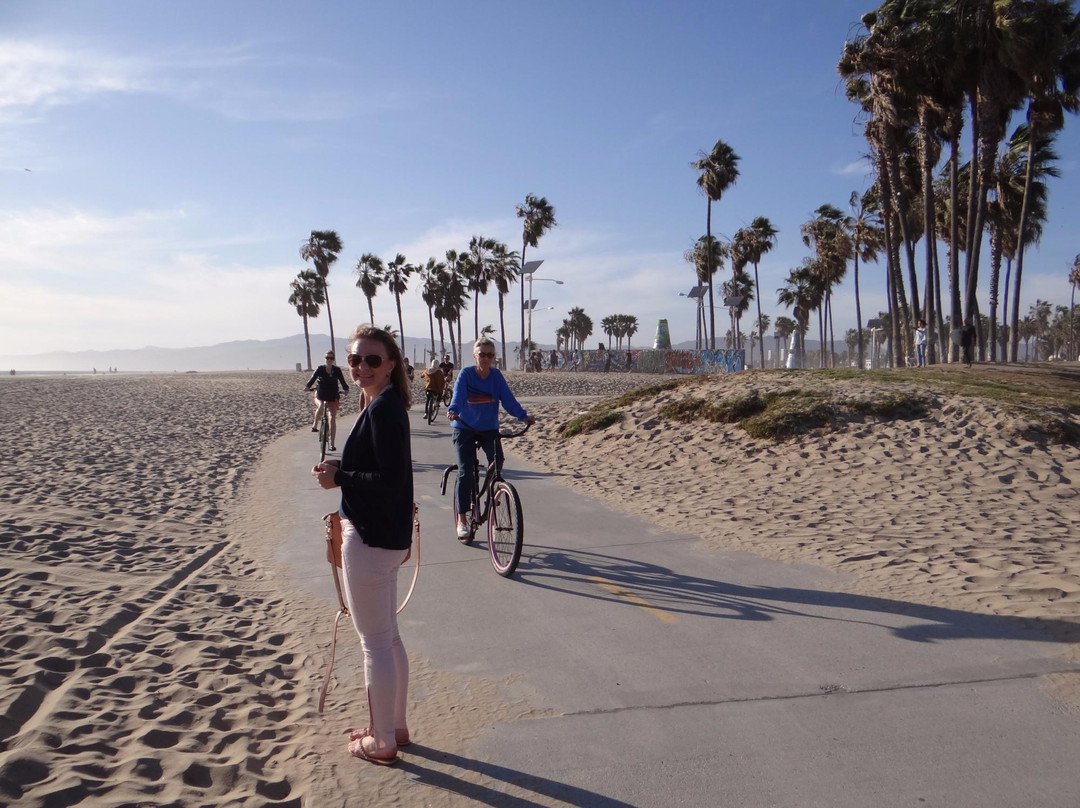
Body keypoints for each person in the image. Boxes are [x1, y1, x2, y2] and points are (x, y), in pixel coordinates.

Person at [311, 325, 414, 766]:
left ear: (391, 364)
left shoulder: (386, 408)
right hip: (383, 538)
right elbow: (382, 468)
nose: (361, 367)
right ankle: (395, 727)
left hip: (370, 538)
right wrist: (343, 465)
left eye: (372, 360)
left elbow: (388, 482)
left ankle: (382, 740)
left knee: (374, 642)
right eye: (355, 359)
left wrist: (341, 477)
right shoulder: (381, 404)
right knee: (387, 637)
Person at [447, 338, 534, 539]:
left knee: (498, 461)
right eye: (482, 354)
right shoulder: (466, 374)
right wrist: (453, 411)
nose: (485, 358)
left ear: (493, 357)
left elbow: (508, 400)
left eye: (490, 355)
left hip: (488, 429)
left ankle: (487, 496)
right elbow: (458, 398)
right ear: (474, 355)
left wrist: (523, 416)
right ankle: (462, 520)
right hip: (464, 428)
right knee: (465, 471)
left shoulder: (496, 377)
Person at [305, 351, 350, 452]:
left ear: (333, 359)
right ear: (324, 358)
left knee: (332, 418)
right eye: (327, 358)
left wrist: (346, 389)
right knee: (320, 406)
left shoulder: (337, 370)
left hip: (333, 396)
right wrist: (307, 386)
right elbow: (312, 379)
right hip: (320, 395)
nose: (329, 360)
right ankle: (314, 425)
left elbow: (343, 381)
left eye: (331, 358)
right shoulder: (320, 369)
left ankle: (332, 444)